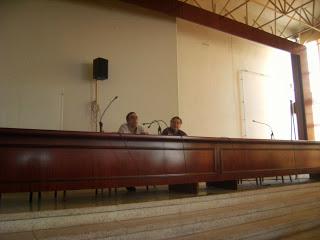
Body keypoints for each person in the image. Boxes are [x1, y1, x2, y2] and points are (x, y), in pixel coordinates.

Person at [118, 112, 147, 192]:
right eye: (132, 117)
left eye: (136, 117)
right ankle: (129, 183)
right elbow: (123, 139)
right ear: (127, 120)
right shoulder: (123, 127)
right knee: (127, 163)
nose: (135, 119)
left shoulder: (141, 127)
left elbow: (147, 138)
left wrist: (145, 134)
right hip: (125, 153)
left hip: (139, 152)